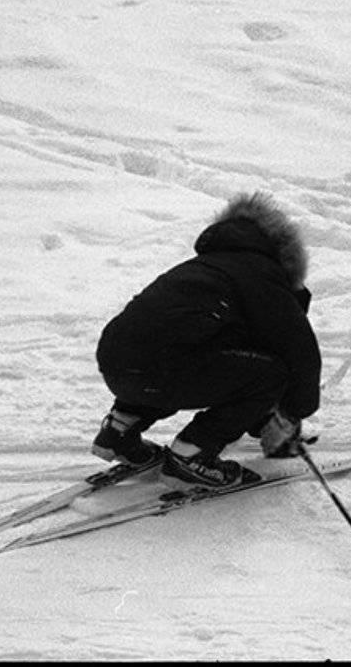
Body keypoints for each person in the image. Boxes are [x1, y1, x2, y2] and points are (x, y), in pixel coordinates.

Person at [92, 191, 322, 490]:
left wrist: (258, 417)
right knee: (271, 374)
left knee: (175, 355)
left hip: (116, 364)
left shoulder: (206, 269)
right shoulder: (262, 276)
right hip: (168, 369)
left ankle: (119, 432)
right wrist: (293, 411)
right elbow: (299, 353)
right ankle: (192, 455)